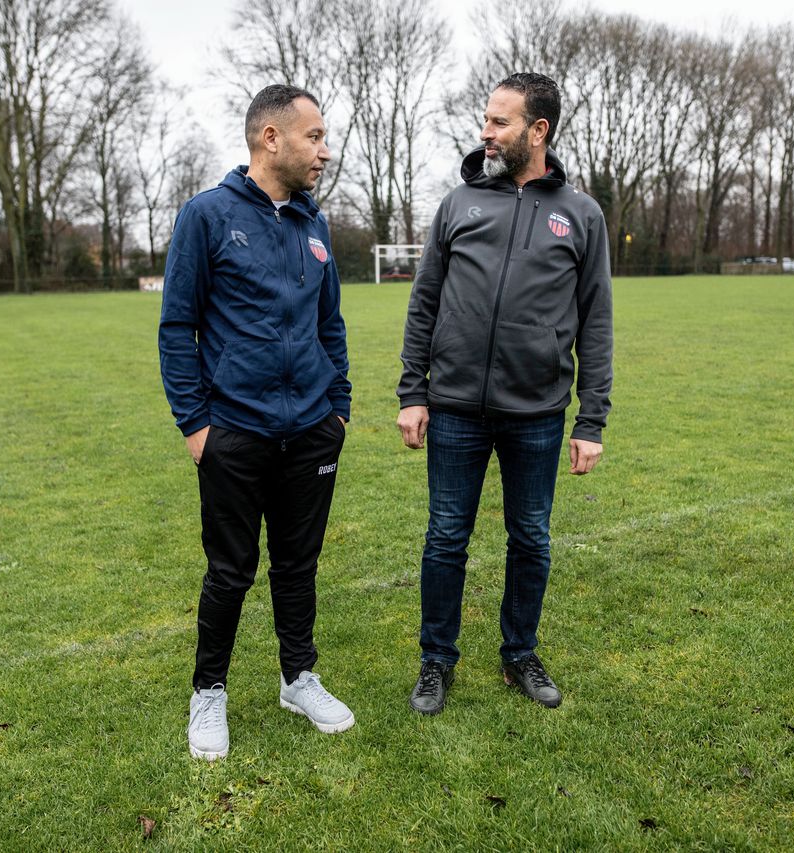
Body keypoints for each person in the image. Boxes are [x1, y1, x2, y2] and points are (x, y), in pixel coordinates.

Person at [396, 73, 613, 715]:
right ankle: (437, 661)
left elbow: (595, 319)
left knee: (532, 538)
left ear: (536, 131)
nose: (485, 132)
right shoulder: (459, 204)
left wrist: (591, 420)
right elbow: (424, 303)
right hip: (457, 407)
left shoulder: (580, 214)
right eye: (485, 120)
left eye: (499, 122)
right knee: (444, 537)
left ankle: (519, 652)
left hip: (538, 414)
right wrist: (414, 391)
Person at [159, 84, 354, 761]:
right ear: (271, 138)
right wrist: (196, 426)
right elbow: (176, 326)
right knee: (231, 570)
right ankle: (207, 690)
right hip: (233, 434)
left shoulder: (314, 223)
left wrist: (339, 409)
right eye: (314, 137)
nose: (324, 151)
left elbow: (331, 323)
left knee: (298, 565)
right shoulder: (206, 216)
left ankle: (298, 677)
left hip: (311, 431)